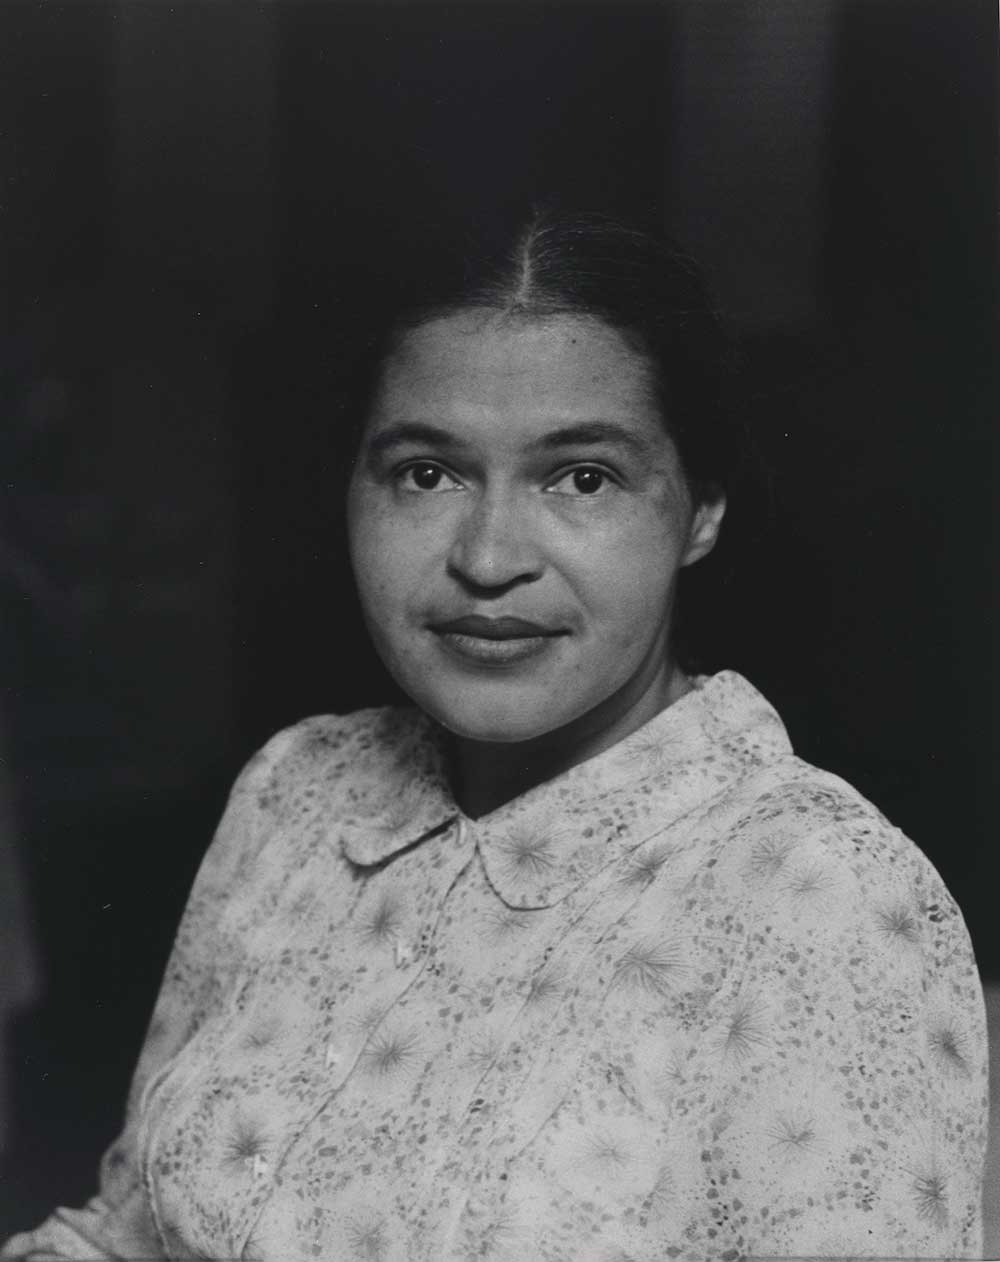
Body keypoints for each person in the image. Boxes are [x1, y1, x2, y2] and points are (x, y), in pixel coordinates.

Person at [2, 210, 987, 1261]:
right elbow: (128, 1233)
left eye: (582, 476)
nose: (486, 554)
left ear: (700, 509)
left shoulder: (813, 893)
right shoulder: (299, 787)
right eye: (426, 472)